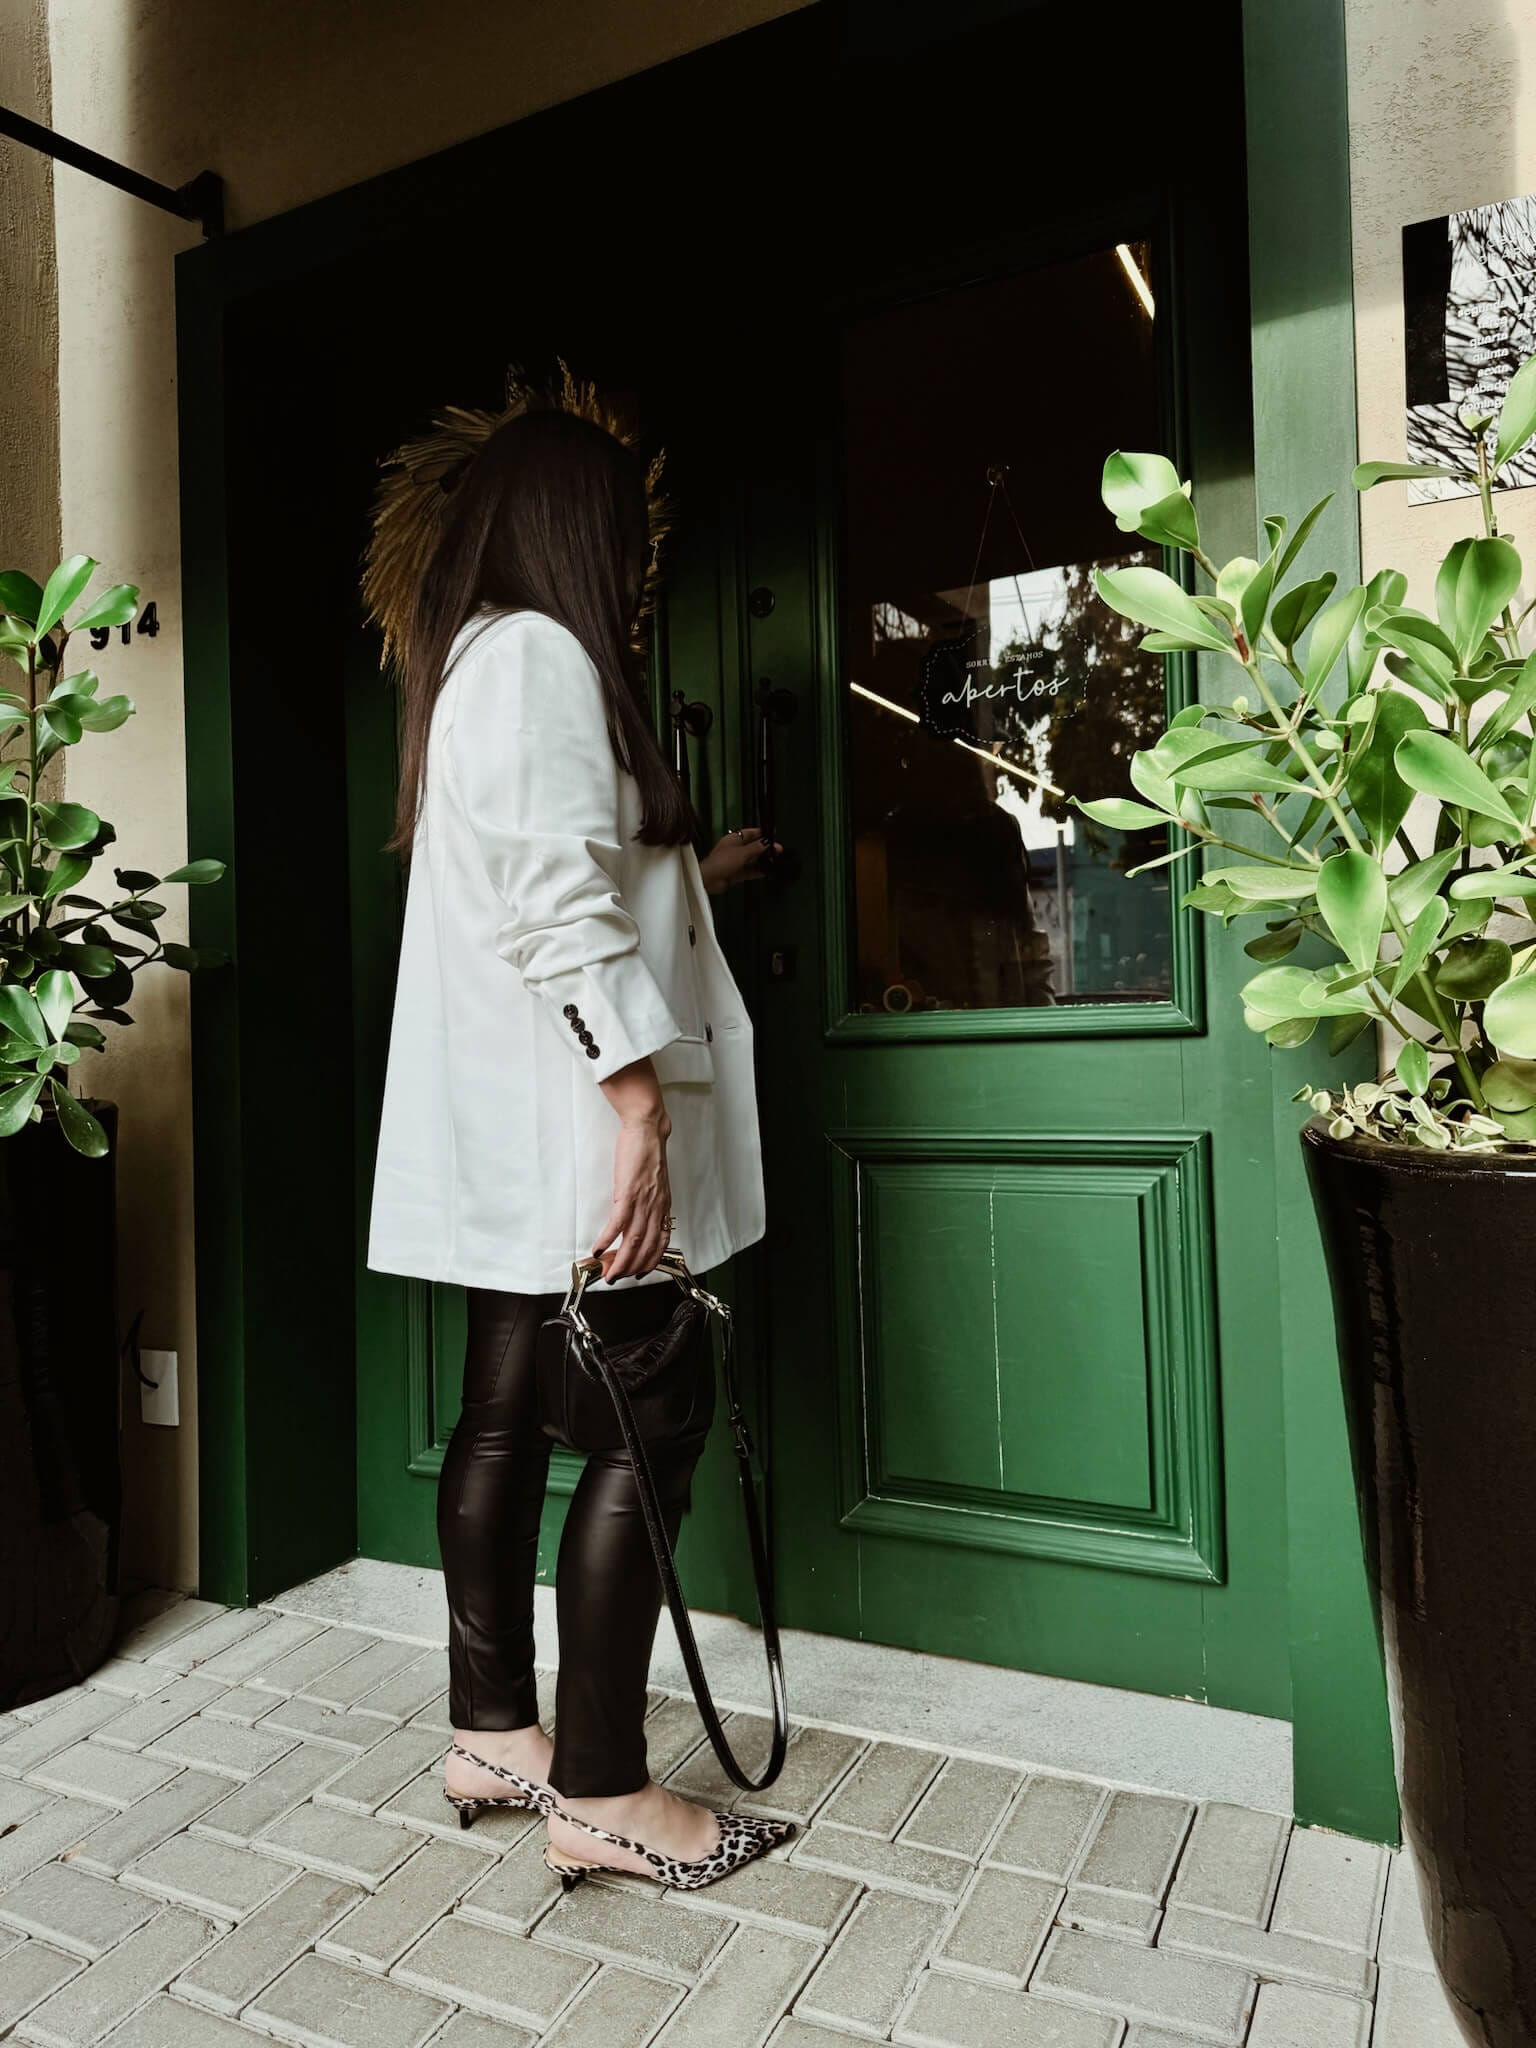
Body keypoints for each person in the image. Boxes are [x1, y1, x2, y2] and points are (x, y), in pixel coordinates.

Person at [365, 391, 786, 1890]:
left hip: (521, 1135)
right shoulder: (542, 656)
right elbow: (554, 903)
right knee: (647, 1423)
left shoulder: (473, 662)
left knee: (499, 1415)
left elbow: (556, 885)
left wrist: (692, 875)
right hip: (579, 1130)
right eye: (624, 537)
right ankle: (606, 1794)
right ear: (571, 529)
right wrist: (640, 1112)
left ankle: (495, 1732)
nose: (636, 568)